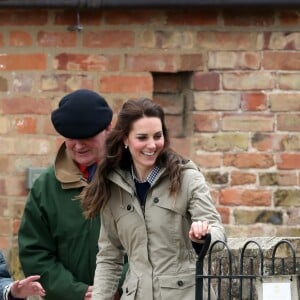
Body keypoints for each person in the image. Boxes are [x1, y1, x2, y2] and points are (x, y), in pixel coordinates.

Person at [81, 98, 226, 299]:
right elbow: (109, 257)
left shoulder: (187, 178)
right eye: (142, 137)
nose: (152, 145)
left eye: (157, 136)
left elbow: (218, 233)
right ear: (125, 139)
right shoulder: (113, 188)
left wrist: (205, 235)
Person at [18, 89, 123, 300]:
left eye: (87, 137)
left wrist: (112, 288)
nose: (78, 145)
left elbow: (151, 244)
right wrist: (78, 292)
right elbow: (35, 252)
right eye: (71, 138)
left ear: (108, 129)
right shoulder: (46, 187)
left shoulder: (133, 178)